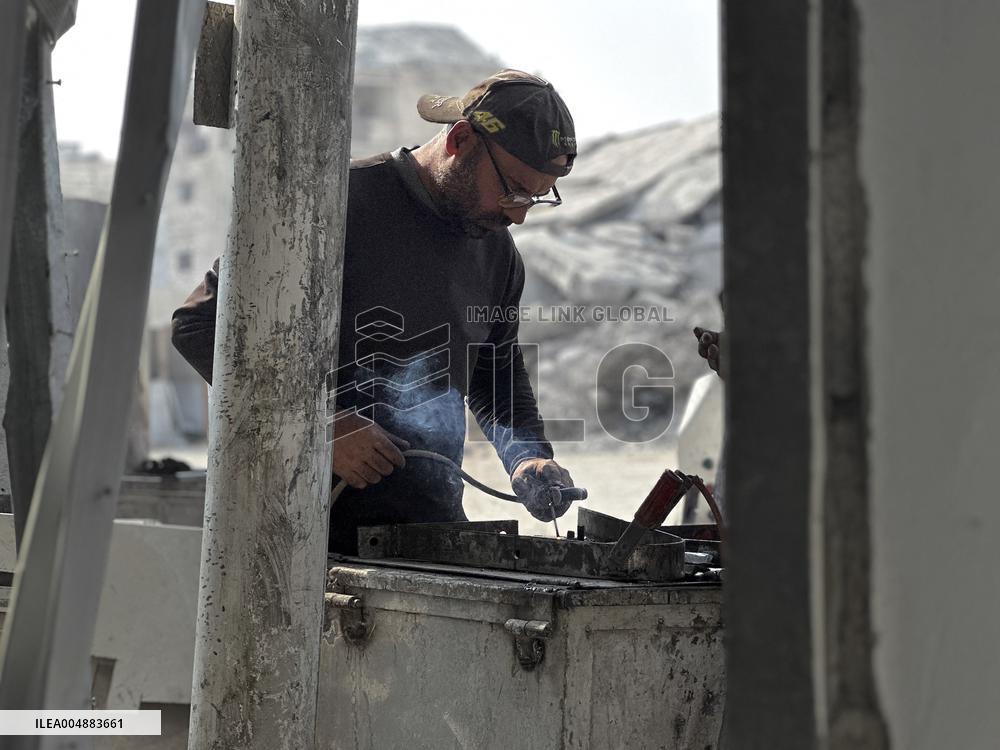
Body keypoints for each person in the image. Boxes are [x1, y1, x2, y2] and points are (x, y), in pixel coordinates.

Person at [172, 70, 578, 553]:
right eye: (513, 188)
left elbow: (496, 370)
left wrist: (526, 456)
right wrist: (318, 422)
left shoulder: (497, 253)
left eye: (535, 197)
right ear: (461, 138)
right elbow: (198, 327)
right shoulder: (330, 204)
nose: (518, 214)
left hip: (428, 536)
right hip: (295, 539)